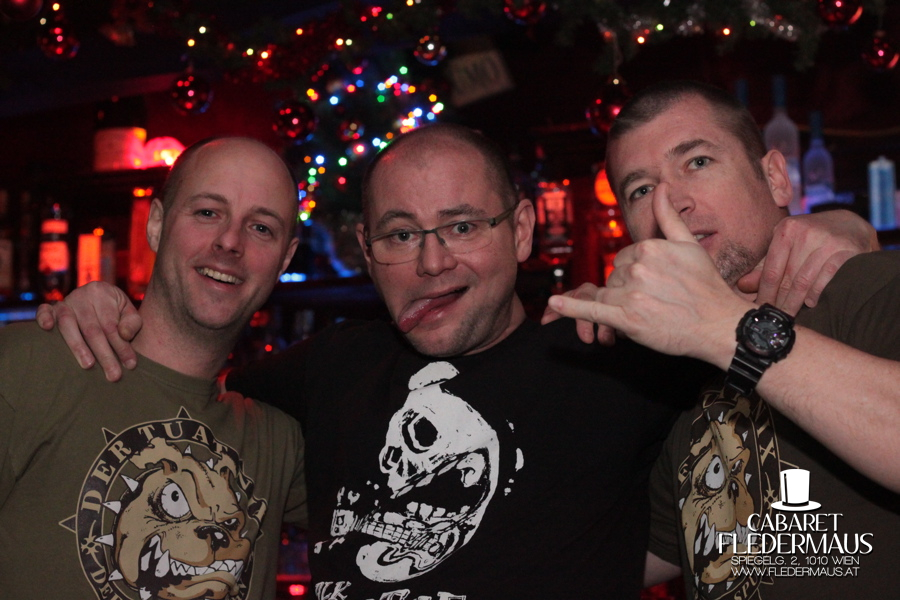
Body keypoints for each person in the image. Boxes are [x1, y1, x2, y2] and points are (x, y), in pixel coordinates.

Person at [37, 124, 874, 599]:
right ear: (367, 251)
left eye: (463, 226)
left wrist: (833, 233)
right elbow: (184, 385)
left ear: (520, 231)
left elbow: (770, 340)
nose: (433, 261)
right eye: (402, 235)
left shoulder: (613, 356)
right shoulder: (326, 370)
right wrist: (109, 307)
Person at [546, 80, 900, 599]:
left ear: (775, 178)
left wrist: (724, 328)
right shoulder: (671, 376)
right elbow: (610, 556)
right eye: (641, 190)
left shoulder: (867, 286)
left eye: (698, 162)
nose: (672, 202)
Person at [1, 137, 308, 600]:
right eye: (208, 212)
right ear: (157, 224)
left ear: (285, 257)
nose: (229, 241)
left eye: (261, 227)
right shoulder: (31, 365)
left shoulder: (277, 440)